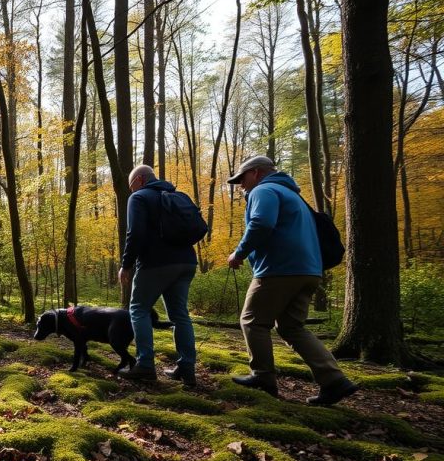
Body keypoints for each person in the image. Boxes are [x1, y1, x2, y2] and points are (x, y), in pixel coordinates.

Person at [226, 155, 358, 406]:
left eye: (242, 179)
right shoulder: (292, 195)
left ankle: (263, 378)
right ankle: (334, 380)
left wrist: (239, 253)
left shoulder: (263, 190)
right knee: (291, 327)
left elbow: (261, 223)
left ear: (255, 173)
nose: (241, 185)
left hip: (279, 270)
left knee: (252, 321)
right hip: (309, 270)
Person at [117, 165, 197, 386]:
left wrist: (126, 264)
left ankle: (145, 364)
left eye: (132, 186)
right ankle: (187, 367)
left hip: (156, 263)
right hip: (187, 262)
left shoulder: (139, 198)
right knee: (180, 315)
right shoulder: (177, 196)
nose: (132, 191)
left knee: (138, 309)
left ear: (141, 180)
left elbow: (135, 233)